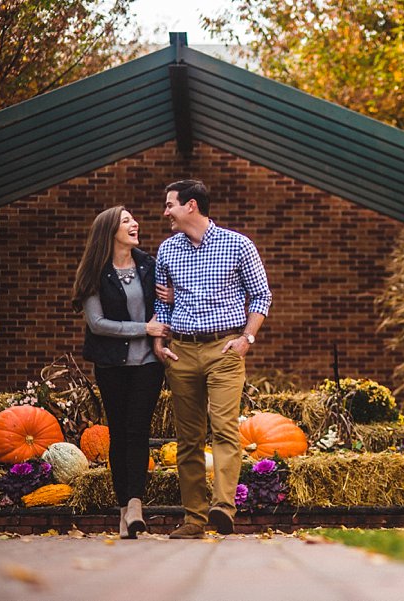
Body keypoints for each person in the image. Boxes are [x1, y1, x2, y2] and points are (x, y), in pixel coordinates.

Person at [153, 180, 272, 539]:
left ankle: (223, 507)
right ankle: (194, 518)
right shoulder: (167, 251)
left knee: (223, 429)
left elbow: (261, 296)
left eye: (170, 204)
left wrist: (246, 339)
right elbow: (161, 304)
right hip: (183, 351)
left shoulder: (238, 245)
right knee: (188, 439)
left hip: (225, 350)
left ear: (191, 205)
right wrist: (160, 342)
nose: (165, 212)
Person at [73, 206, 171, 539]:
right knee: (118, 432)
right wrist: (145, 327)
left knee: (138, 430)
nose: (135, 224)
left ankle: (135, 506)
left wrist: (168, 300)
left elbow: (164, 305)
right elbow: (97, 324)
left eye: (133, 219)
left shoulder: (149, 265)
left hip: (148, 364)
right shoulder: (93, 272)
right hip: (112, 365)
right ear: (109, 230)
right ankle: (122, 511)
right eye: (126, 220)